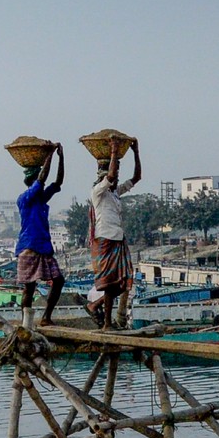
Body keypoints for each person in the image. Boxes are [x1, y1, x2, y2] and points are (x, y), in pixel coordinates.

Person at [84, 137, 142, 329]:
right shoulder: (98, 191)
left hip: (118, 239)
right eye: (113, 172)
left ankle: (96, 305)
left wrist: (135, 152)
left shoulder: (115, 192)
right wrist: (114, 152)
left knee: (123, 282)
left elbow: (136, 178)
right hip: (105, 240)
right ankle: (107, 322)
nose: (116, 177)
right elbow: (110, 176)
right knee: (109, 284)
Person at [15, 143, 66, 327]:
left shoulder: (41, 198)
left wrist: (61, 157)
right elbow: (43, 179)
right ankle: (25, 323)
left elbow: (58, 182)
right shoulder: (24, 198)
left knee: (59, 281)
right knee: (29, 287)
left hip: (43, 247)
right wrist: (50, 155)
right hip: (28, 246)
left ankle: (46, 317)